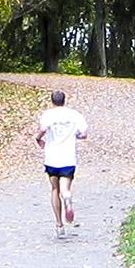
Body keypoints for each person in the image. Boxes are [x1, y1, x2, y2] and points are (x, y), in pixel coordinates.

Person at [34, 90, 88, 238]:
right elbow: (83, 134)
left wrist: (38, 138)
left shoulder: (48, 115)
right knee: (64, 188)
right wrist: (75, 135)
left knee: (54, 189)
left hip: (52, 158)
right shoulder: (74, 115)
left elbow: (43, 129)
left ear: (52, 101)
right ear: (64, 100)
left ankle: (59, 224)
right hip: (68, 158)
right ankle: (68, 198)